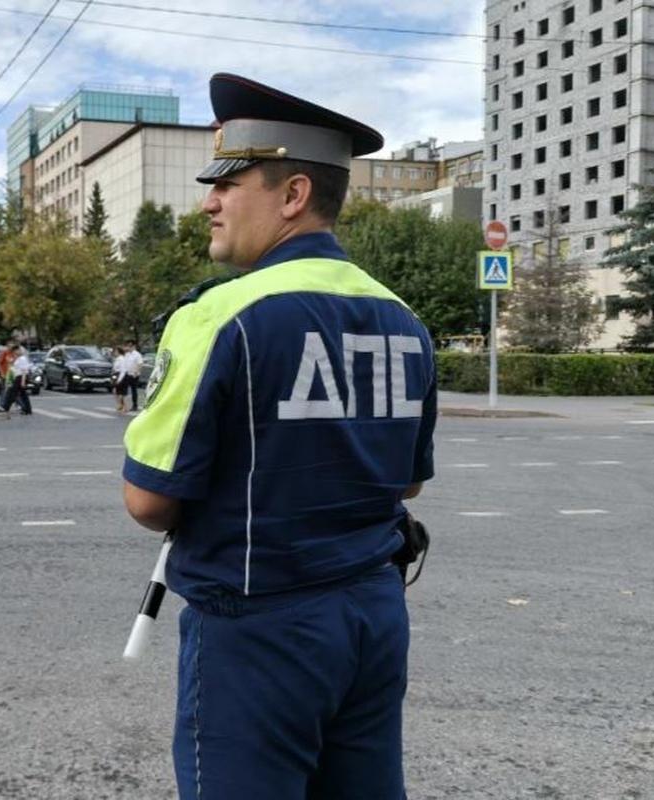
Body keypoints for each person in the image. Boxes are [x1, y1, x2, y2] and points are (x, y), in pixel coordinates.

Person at [121, 73, 437, 800]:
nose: (208, 202)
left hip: (258, 627)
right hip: (373, 615)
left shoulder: (218, 315)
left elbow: (148, 501)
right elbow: (408, 480)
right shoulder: (402, 318)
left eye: (229, 184)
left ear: (293, 194)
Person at [0, 344, 33, 416]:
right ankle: (27, 410)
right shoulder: (19, 358)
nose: (15, 353)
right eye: (14, 352)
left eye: (16, 351)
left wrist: (23, 381)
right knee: (23, 394)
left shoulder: (22, 359)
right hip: (19, 377)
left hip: (21, 377)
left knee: (11, 392)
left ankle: (5, 407)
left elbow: (24, 370)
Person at [124, 339, 144, 411]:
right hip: (127, 374)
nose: (129, 347)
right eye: (128, 346)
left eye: (130, 346)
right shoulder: (127, 354)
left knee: (133, 390)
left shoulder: (137, 354)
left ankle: (135, 405)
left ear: (134, 346)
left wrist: (136, 372)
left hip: (134, 375)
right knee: (123, 389)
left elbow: (140, 364)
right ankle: (124, 405)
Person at [111, 345, 128, 414]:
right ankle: (121, 405)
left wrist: (119, 380)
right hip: (116, 375)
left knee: (121, 393)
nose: (114, 353)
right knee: (116, 391)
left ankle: (124, 407)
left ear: (118, 352)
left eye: (115, 351)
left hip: (122, 376)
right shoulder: (117, 359)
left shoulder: (121, 359)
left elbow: (123, 370)